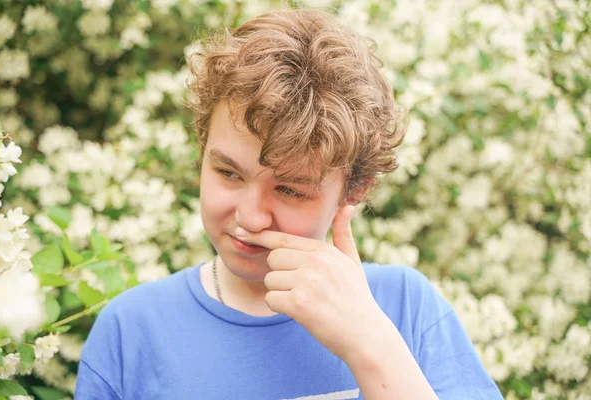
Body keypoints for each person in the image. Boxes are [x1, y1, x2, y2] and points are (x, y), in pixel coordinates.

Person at [75, 9, 504, 400]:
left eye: (291, 190)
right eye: (228, 173)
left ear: (353, 191)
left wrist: (370, 344)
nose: (250, 216)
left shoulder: (405, 307)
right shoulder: (132, 330)